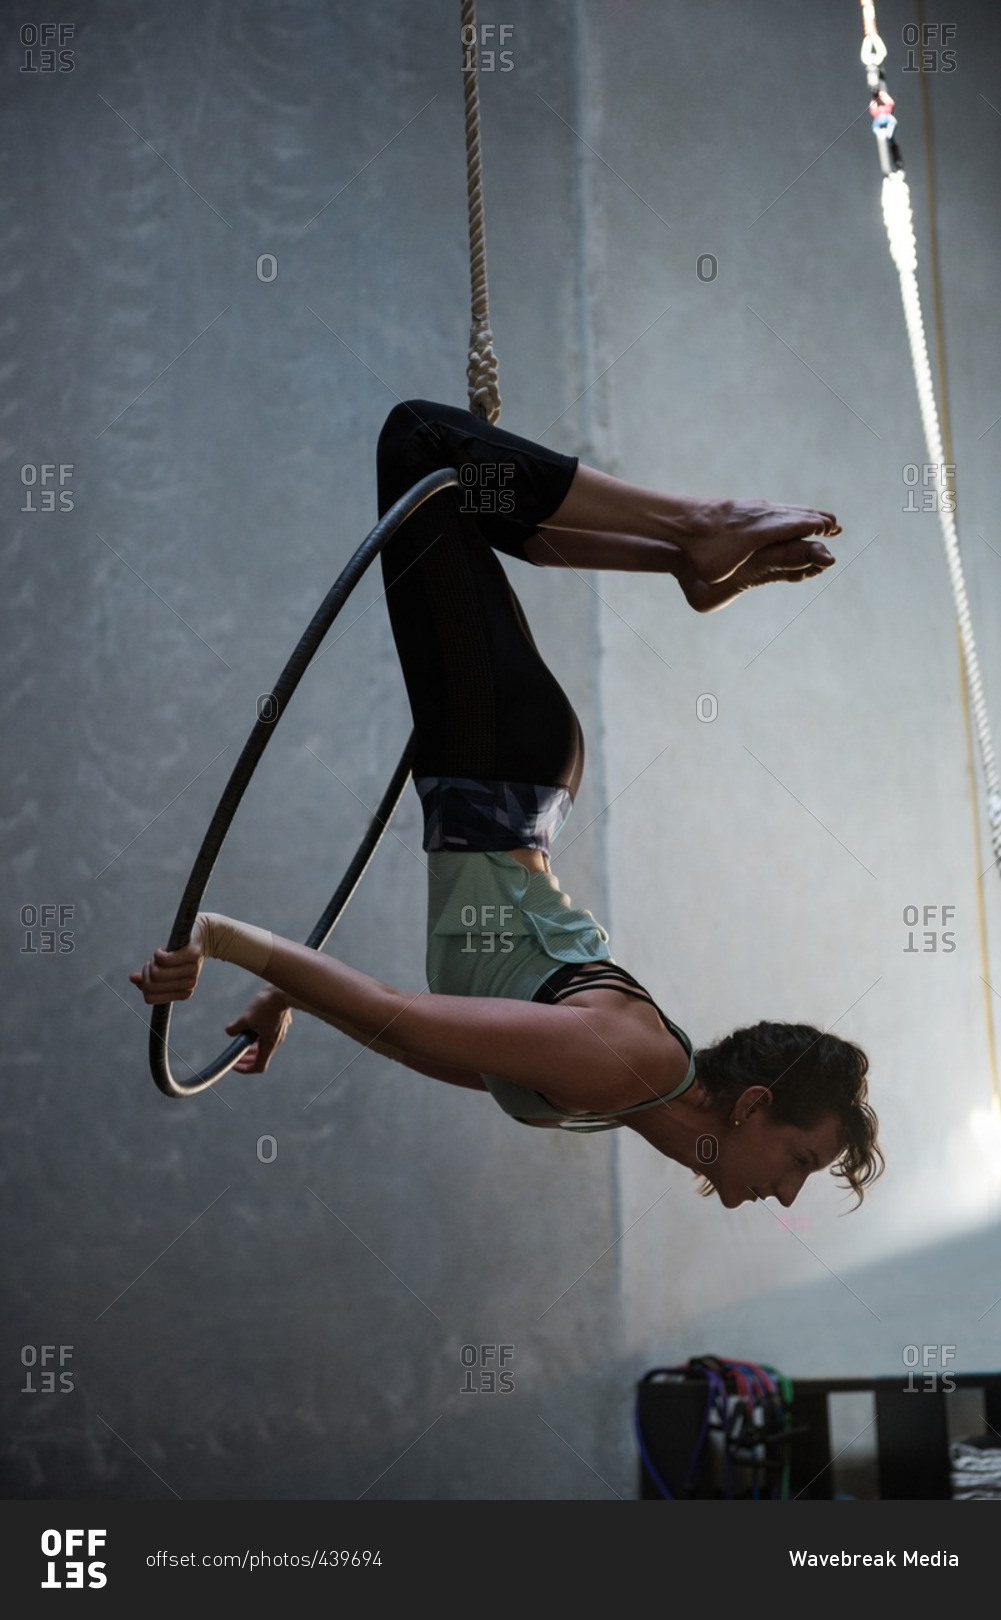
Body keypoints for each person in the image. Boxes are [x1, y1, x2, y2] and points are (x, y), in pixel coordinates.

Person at [131, 400, 883, 1211]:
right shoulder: (626, 1063)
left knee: (450, 492)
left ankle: (680, 555)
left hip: (500, 772)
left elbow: (415, 1033)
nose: (786, 1195)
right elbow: (399, 1016)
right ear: (753, 1106)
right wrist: (219, 937)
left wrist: (291, 994)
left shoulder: (618, 1095)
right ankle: (695, 526)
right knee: (420, 449)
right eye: (800, 1161)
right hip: (497, 763)